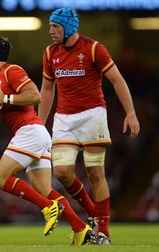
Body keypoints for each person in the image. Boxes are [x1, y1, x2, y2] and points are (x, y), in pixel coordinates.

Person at [0, 35, 96, 245]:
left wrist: (5, 98)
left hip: (30, 131)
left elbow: (35, 95)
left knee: (0, 178)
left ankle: (47, 208)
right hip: (34, 134)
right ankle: (82, 230)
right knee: (44, 189)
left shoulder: (11, 71)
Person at [38, 8, 140, 244]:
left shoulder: (94, 48)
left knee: (95, 173)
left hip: (92, 116)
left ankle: (103, 230)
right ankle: (92, 212)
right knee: (62, 173)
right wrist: (39, 123)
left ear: (68, 27)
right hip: (64, 119)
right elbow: (47, 89)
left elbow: (117, 80)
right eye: (51, 26)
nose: (51, 31)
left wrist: (131, 113)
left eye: (55, 26)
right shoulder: (49, 53)